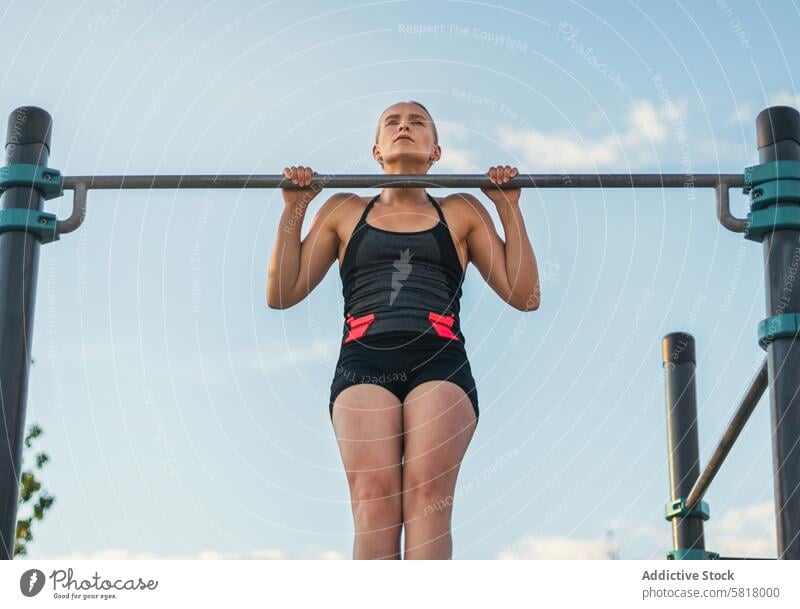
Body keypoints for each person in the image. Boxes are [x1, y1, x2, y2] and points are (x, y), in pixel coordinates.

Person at [267, 101, 540, 559]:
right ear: (377, 150)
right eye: (392, 122)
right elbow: (281, 292)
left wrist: (509, 207)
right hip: (362, 362)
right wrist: (294, 208)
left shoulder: (462, 211)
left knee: (426, 498)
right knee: (373, 501)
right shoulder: (342, 209)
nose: (404, 127)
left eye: (417, 123)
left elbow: (524, 295)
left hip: (440, 361)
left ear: (436, 150)